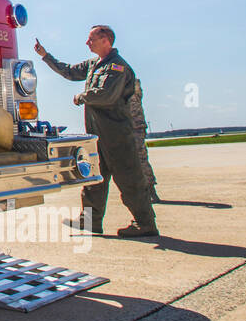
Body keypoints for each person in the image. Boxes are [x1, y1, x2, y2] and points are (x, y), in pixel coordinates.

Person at [34, 27, 157, 238]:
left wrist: (81, 97)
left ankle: (145, 224)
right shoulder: (93, 65)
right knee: (93, 181)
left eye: (91, 39)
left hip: (117, 134)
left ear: (106, 41)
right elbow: (70, 71)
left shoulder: (117, 67)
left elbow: (106, 96)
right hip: (98, 135)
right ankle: (90, 223)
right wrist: (46, 56)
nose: (87, 43)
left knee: (129, 179)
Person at [128, 76, 161, 203]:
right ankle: (142, 192)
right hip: (126, 126)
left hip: (135, 126)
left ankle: (150, 190)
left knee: (141, 159)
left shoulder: (132, 84)